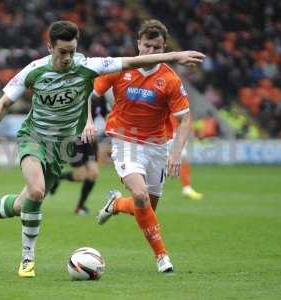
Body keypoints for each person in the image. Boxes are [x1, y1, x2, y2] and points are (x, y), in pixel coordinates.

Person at [0, 20, 205, 278]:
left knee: (23, 203)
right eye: (62, 52)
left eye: (72, 51)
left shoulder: (87, 66)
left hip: (62, 146)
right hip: (34, 137)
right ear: (50, 47)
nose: (68, 57)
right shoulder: (34, 70)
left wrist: (176, 56)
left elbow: (131, 62)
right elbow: (3, 103)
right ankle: (27, 259)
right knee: (37, 191)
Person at [94, 19, 199, 273]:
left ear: (164, 48)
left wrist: (175, 153)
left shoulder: (170, 80)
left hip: (157, 146)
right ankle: (162, 257)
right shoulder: (120, 68)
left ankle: (117, 204)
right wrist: (87, 121)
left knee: (146, 208)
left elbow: (185, 118)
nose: (152, 53)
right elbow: (92, 93)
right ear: (138, 44)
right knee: (140, 196)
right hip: (124, 140)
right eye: (147, 46)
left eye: (158, 48)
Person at [49, 96, 108, 215]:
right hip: (74, 139)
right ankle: (57, 177)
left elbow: (105, 114)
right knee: (80, 176)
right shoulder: (77, 92)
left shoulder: (100, 96)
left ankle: (80, 206)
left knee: (93, 174)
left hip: (90, 139)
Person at [170, 116, 204, 200]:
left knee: (183, 158)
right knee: (182, 158)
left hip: (175, 131)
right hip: (172, 132)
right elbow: (183, 115)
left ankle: (187, 188)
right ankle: (187, 188)